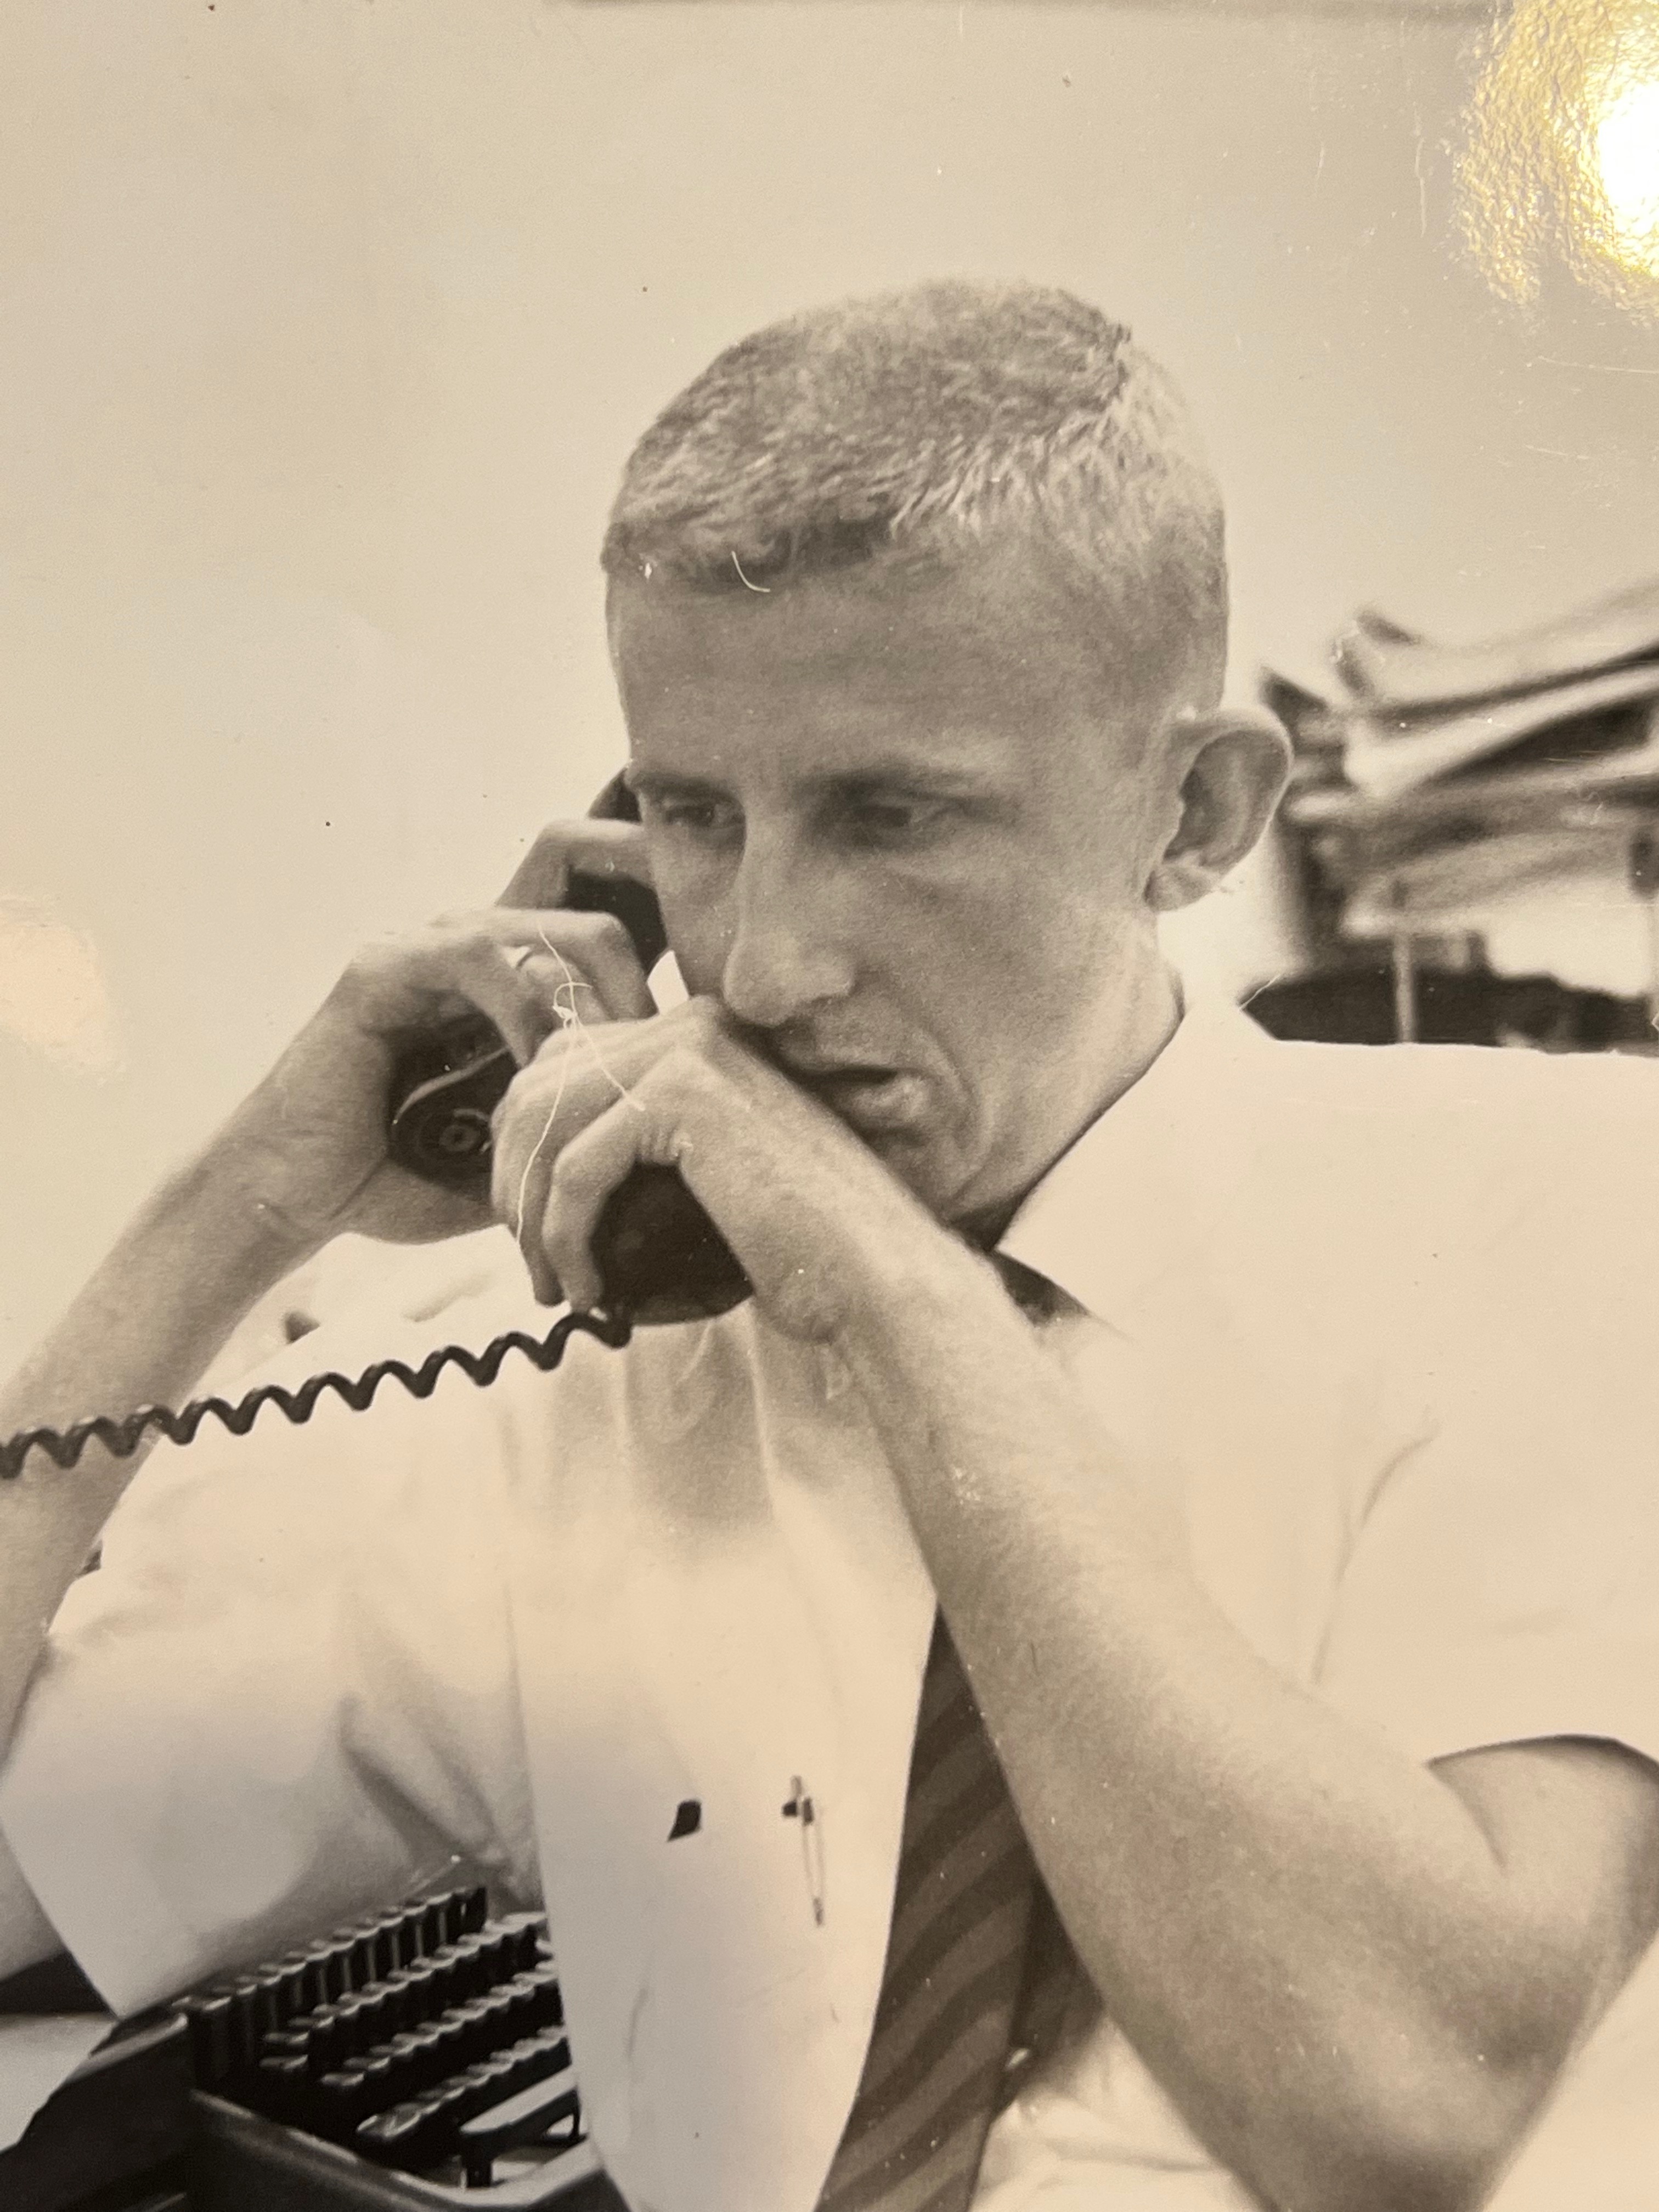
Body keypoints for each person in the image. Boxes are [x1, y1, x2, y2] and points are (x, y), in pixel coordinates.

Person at [2, 279, 1658, 2212]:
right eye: (695, 818)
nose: (764, 962)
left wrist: (888, 1285)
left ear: (1196, 814)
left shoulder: (1561, 1195)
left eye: (895, 816)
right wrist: (230, 1213)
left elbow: (1395, 2102)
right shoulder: (562, 1359)